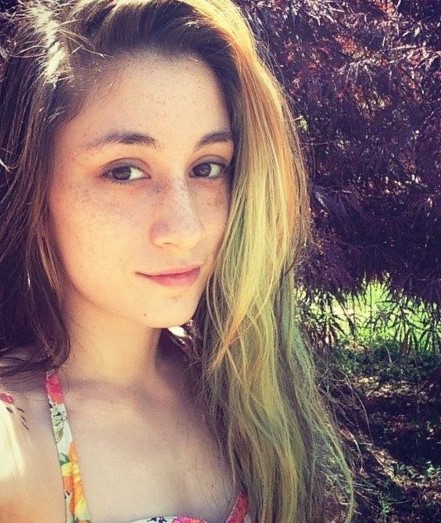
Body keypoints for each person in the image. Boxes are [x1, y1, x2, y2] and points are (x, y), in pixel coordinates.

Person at [0, 0, 354, 521]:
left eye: (208, 166)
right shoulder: (16, 446)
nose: (186, 229)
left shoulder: (241, 387)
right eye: (124, 171)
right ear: (32, 188)